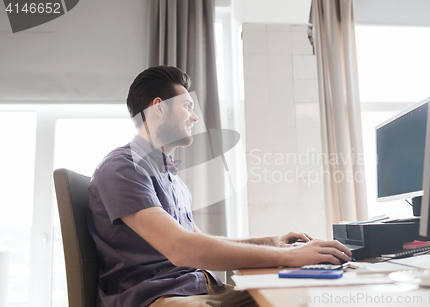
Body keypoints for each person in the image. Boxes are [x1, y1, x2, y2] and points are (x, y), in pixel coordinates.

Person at [87, 65, 352, 307]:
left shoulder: (170, 176)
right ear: (159, 107)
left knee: (309, 297)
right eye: (187, 107)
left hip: (201, 289)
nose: (194, 118)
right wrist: (290, 257)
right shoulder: (123, 168)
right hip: (158, 298)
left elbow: (198, 241)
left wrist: (270, 242)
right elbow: (181, 249)